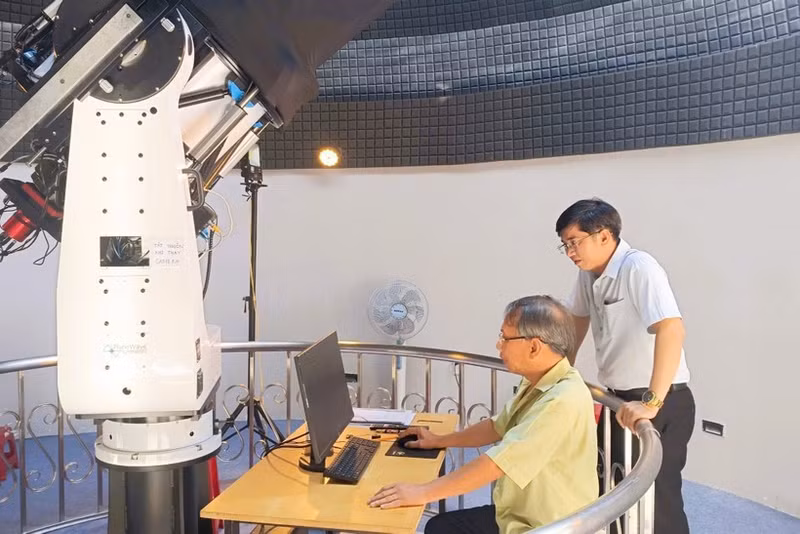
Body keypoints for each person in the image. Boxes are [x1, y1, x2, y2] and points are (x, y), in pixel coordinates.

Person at [367, 295, 598, 534]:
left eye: (505, 338)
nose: (499, 345)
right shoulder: (541, 381)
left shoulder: (561, 400)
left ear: (534, 346)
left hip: (545, 526)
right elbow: (496, 426)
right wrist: (438, 440)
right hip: (515, 513)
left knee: (439, 529)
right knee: (439, 527)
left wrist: (422, 492)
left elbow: (498, 464)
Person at [556, 198, 695, 534]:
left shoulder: (639, 267)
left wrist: (651, 402)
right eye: (565, 245)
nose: (570, 252)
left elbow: (672, 329)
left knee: (658, 501)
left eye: (575, 242)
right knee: (617, 492)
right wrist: (559, 375)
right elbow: (577, 320)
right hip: (620, 401)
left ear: (604, 236)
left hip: (660, 401)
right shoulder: (589, 275)